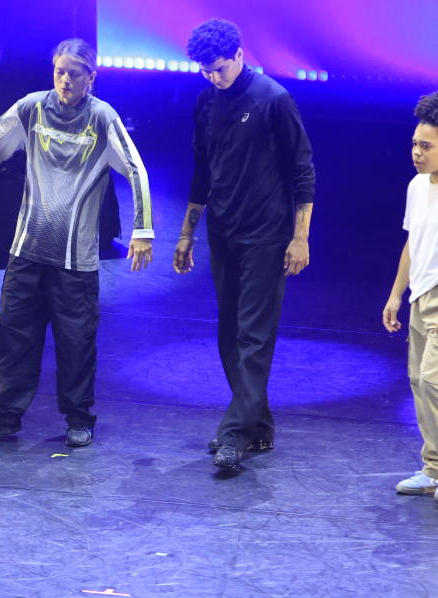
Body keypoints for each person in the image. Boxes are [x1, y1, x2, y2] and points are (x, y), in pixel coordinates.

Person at [0, 38, 154, 449]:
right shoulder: (32, 108)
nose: (66, 80)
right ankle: (3, 416)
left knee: (76, 343)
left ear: (92, 77)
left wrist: (143, 230)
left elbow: (136, 169)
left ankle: (78, 417)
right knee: (13, 336)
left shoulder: (102, 118)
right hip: (28, 250)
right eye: (60, 71)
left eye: (75, 73)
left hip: (76, 261)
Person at [173, 19, 315, 473]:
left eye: (218, 68)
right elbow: (202, 169)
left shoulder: (273, 100)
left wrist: (300, 237)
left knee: (254, 336)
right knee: (229, 335)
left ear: (239, 54)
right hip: (223, 232)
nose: (213, 77)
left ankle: (233, 435)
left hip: (267, 237)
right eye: (204, 71)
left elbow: (302, 171)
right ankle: (258, 427)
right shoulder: (206, 102)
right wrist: (187, 232)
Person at [383, 92, 438, 500]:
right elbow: (411, 242)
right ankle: (433, 467)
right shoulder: (417, 186)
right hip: (420, 295)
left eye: (427, 146)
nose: (417, 153)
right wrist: (396, 295)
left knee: (434, 381)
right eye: (415, 144)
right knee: (418, 381)